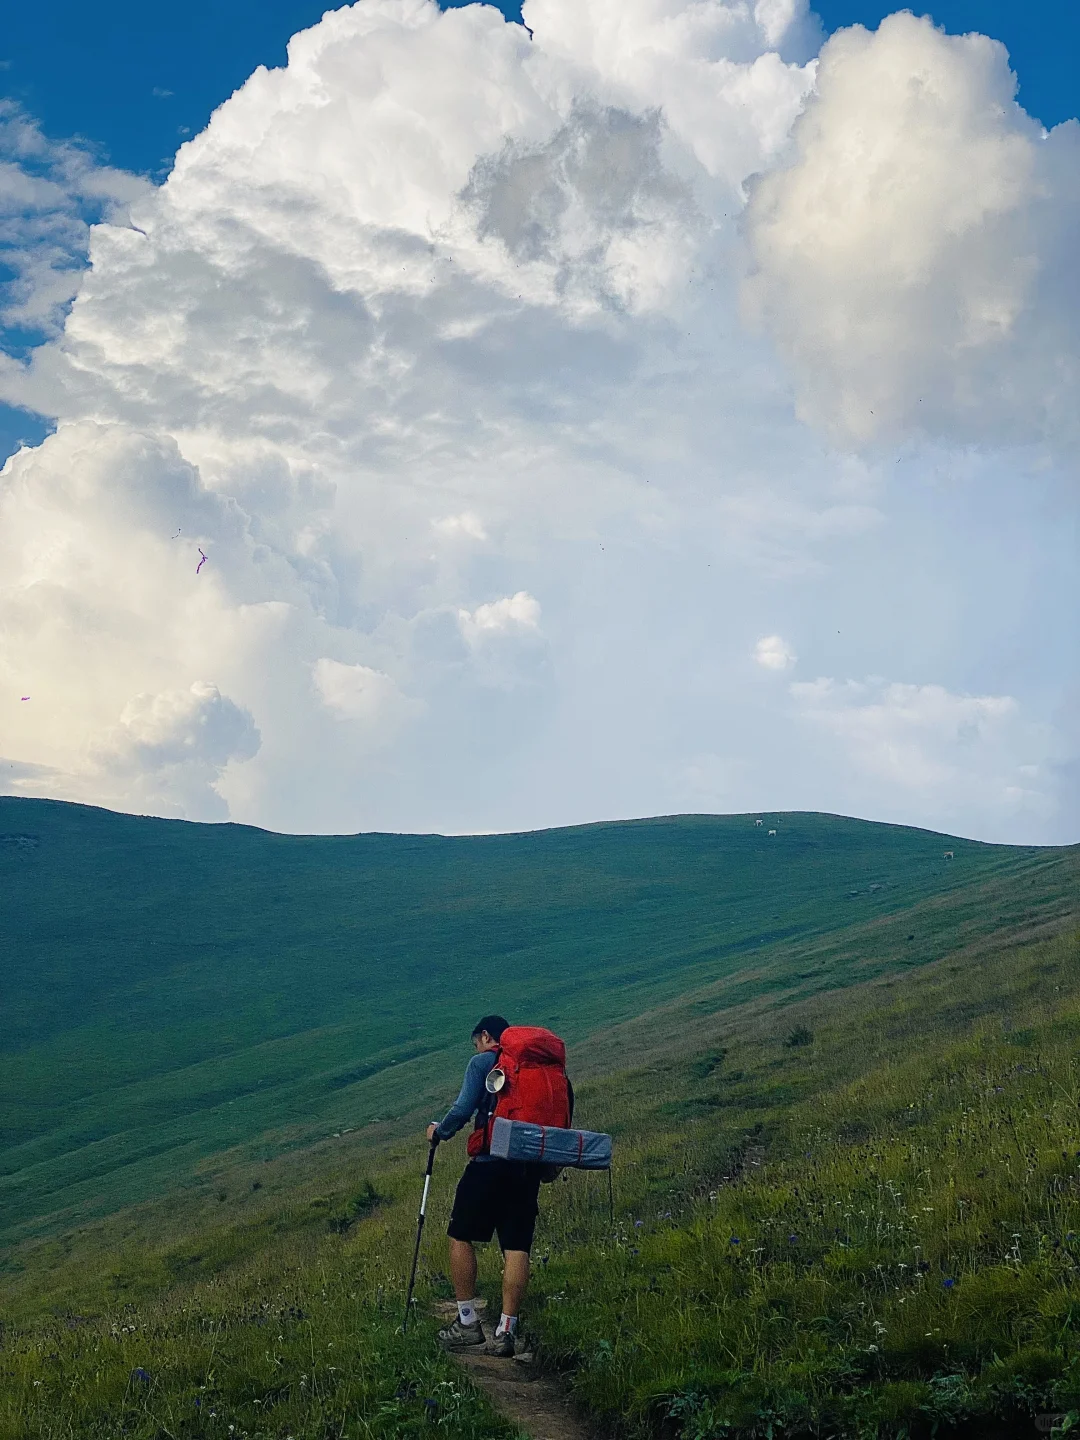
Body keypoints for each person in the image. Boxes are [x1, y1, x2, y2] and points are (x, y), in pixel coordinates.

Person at [426, 1014, 542, 1358]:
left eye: (476, 1041)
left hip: (489, 1163)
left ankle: (467, 1323)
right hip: (527, 1167)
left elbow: (463, 1108)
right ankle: (507, 1331)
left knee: (460, 1235)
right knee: (517, 1246)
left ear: (487, 1036)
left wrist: (439, 1132)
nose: (477, 1047)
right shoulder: (538, 1066)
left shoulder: (483, 1062)